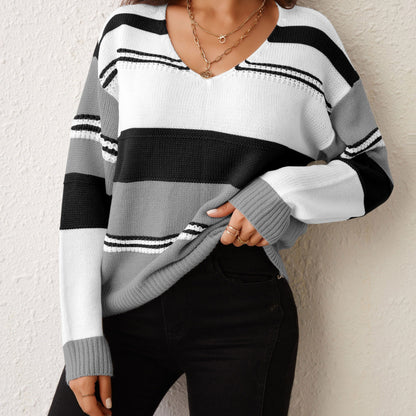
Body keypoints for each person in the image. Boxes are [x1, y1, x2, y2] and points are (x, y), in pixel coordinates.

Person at [47, 0, 394, 415]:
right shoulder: (127, 31)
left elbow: (372, 170)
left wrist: (280, 191)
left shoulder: (310, 40)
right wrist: (81, 335)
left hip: (242, 309)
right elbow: (85, 187)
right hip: (125, 303)